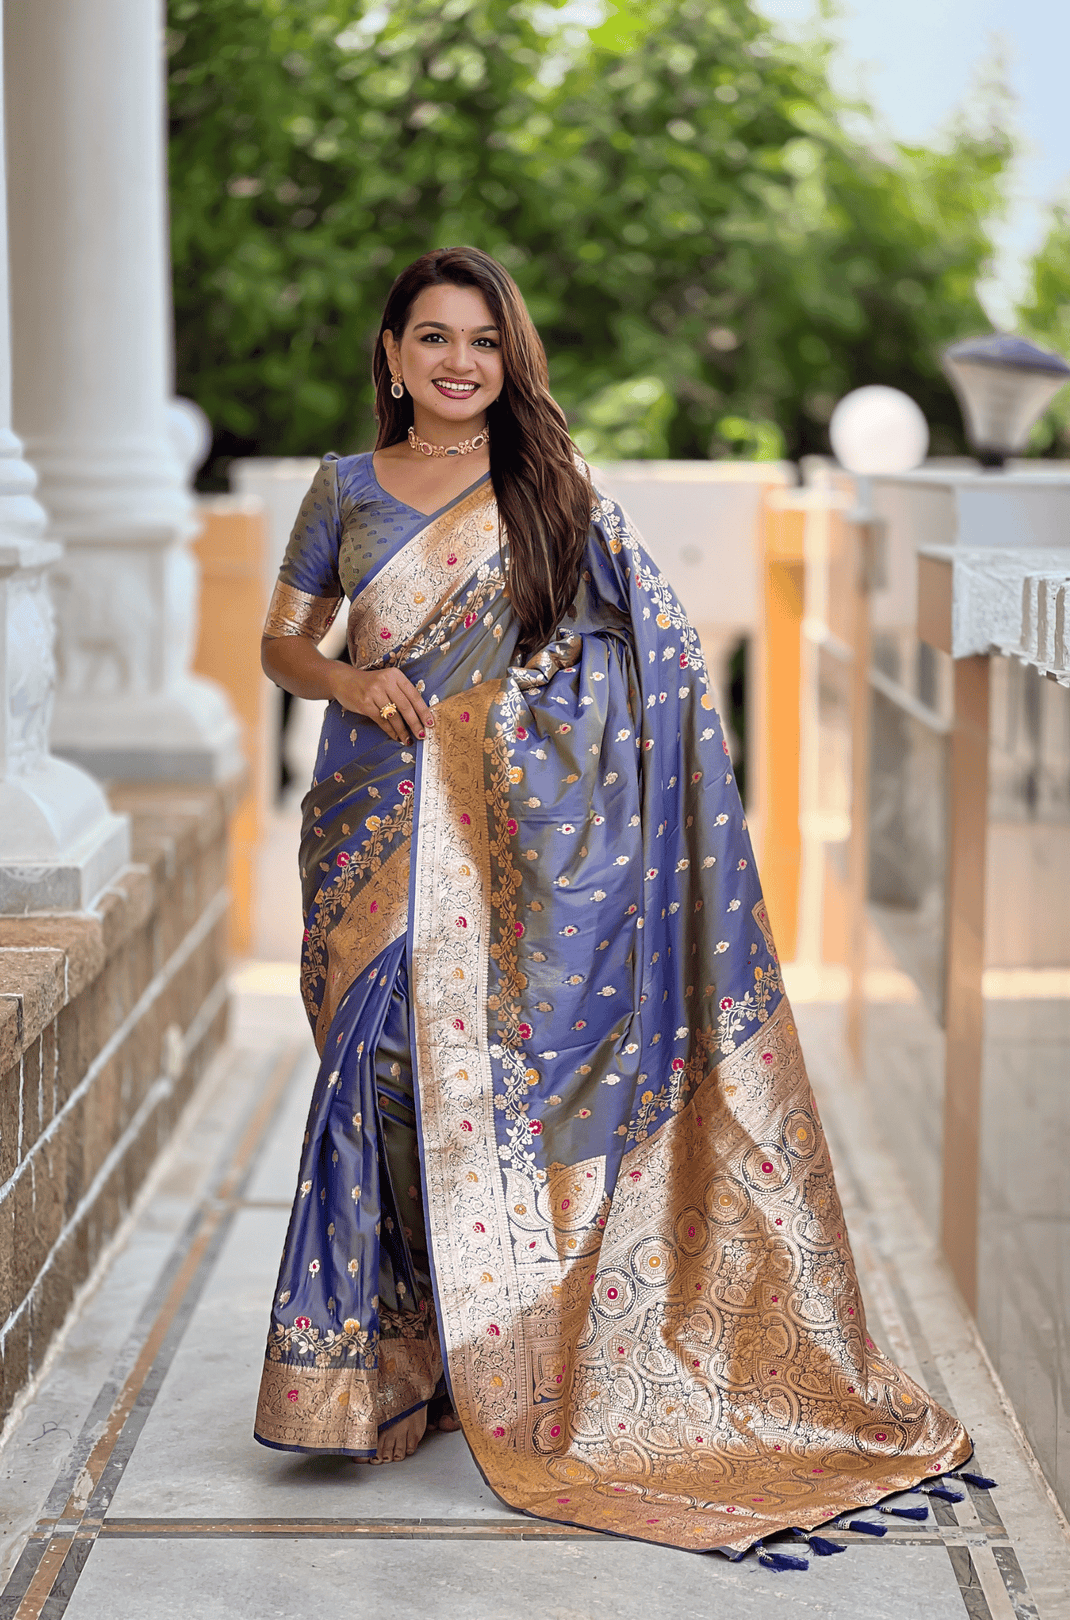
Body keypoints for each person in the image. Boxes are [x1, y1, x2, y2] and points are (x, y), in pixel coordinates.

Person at [254, 246, 970, 1555]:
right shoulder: (344, 489)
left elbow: (647, 653)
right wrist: (349, 681)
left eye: (483, 340)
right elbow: (282, 642)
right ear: (393, 353)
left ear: (508, 356)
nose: (459, 361)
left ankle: (473, 1346)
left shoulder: (551, 487)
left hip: (513, 832)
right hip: (370, 818)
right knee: (376, 1067)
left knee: (444, 1070)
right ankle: (389, 1358)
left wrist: (503, 729)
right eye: (433, 337)